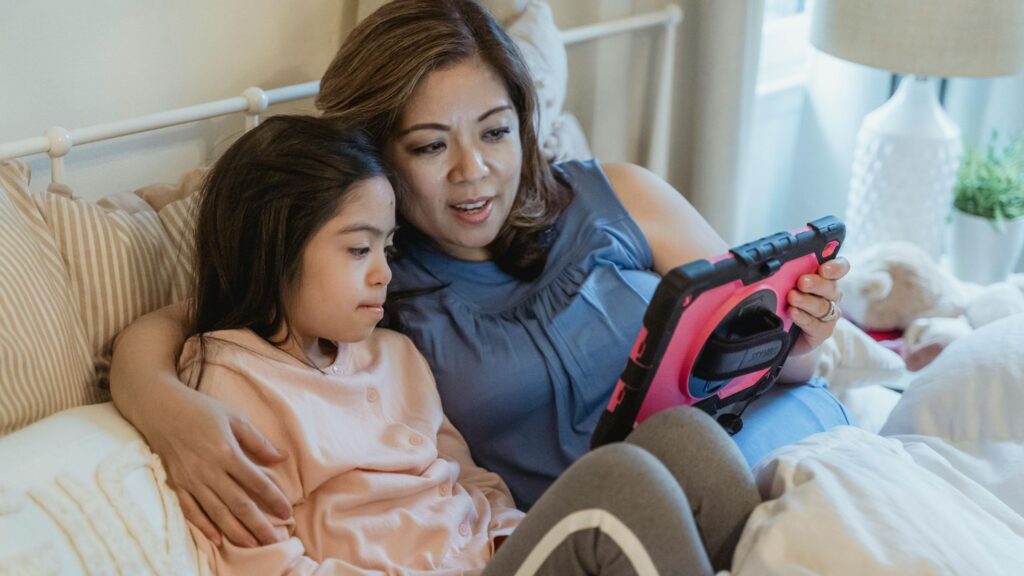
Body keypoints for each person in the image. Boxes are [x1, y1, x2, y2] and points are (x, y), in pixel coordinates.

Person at [109, 0, 850, 555]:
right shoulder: (370, 284)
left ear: (523, 126)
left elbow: (773, 358)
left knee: (709, 453)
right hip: (594, 527)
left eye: (495, 132)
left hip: (756, 448)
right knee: (658, 471)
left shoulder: (616, 194)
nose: (474, 172)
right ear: (377, 158)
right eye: (430, 146)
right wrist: (163, 404)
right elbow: (207, 312)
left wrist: (803, 334)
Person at [177, 113, 761, 575]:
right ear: (273, 249)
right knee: (618, 486)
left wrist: (511, 536)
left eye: (387, 248)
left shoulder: (394, 355)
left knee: (685, 439)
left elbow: (470, 481)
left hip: (490, 557)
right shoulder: (234, 384)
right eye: (358, 250)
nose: (384, 273)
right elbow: (264, 563)